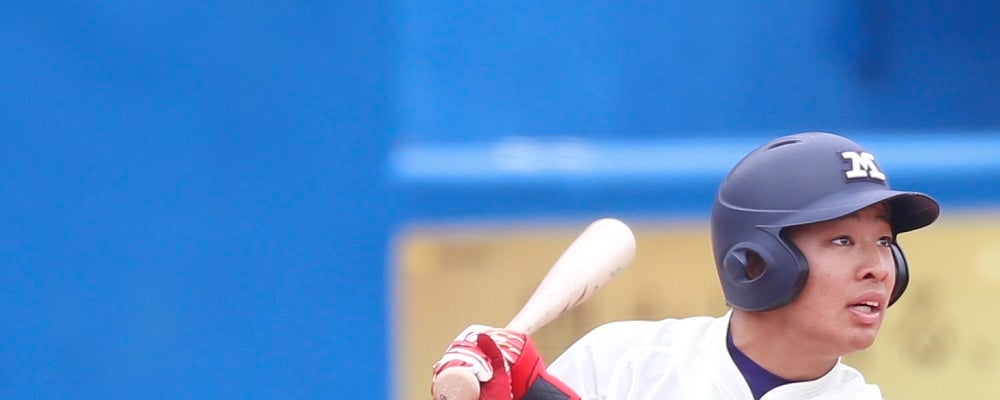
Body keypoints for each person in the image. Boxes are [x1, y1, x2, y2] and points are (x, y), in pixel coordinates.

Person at [431, 132, 940, 400]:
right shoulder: (624, 364)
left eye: (884, 242)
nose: (878, 268)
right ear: (755, 263)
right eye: (843, 240)